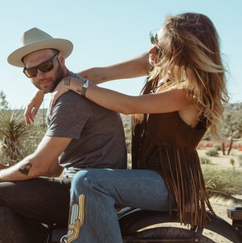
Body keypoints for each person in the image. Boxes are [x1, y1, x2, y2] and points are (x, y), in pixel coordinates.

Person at [30, 13, 227, 243]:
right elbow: (99, 74)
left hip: (170, 185)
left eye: (159, 44)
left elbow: (127, 105)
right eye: (153, 40)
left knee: (88, 181)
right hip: (146, 178)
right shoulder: (158, 66)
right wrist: (43, 90)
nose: (152, 50)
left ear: (180, 49)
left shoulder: (188, 94)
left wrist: (72, 84)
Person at [0, 27, 127, 243]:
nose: (40, 75)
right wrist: (7, 171)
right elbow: (53, 167)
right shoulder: (67, 92)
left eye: (46, 66)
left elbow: (40, 166)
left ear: (61, 59)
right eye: (32, 71)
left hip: (88, 192)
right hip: (83, 185)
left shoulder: (70, 101)